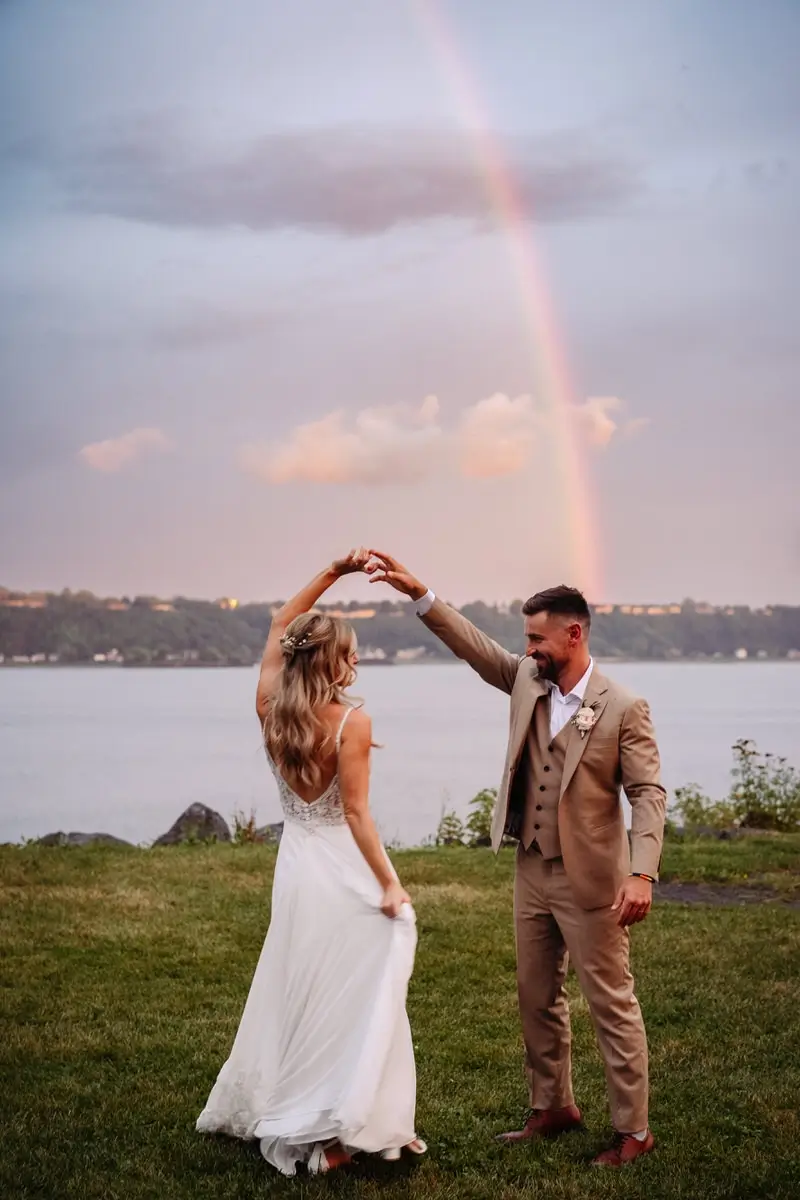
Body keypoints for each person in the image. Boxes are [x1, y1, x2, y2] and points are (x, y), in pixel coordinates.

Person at [367, 550, 666, 1168]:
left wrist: (642, 872)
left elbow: (648, 794)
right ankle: (552, 1106)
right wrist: (420, 593)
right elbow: (476, 649)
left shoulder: (623, 706)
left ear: (574, 633)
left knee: (610, 1001)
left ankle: (633, 1130)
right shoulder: (528, 677)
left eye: (537, 636)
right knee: (536, 995)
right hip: (530, 869)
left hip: (593, 880)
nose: (527, 647)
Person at [196, 550, 426, 1176]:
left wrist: (333, 571)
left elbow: (278, 624)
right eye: (350, 653)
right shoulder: (352, 722)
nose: (358, 662)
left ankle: (361, 1119)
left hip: (296, 864)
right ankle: (350, 1122)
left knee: (302, 984)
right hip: (341, 866)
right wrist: (391, 884)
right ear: (331, 662)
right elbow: (355, 815)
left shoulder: (270, 706)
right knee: (361, 991)